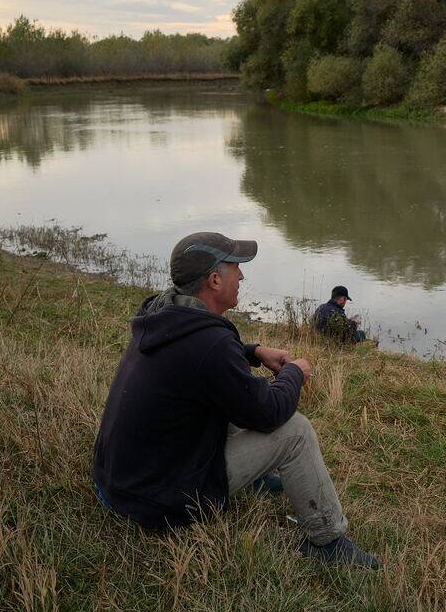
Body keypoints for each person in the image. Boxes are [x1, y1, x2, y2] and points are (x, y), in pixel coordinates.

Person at [92, 232, 380, 569]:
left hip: (118, 482)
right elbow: (268, 412)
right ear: (215, 280)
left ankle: (253, 477)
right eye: (235, 269)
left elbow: (203, 365)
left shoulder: (162, 314)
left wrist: (253, 352)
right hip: (158, 500)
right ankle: (328, 541)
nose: (242, 276)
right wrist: (294, 374)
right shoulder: (208, 343)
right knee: (296, 431)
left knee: (225, 395)